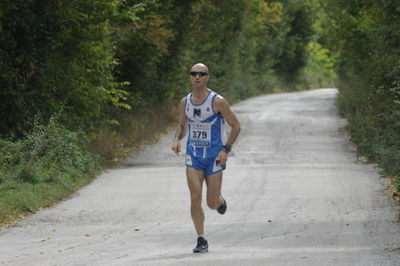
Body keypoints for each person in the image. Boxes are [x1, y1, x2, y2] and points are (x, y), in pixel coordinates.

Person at [171, 63, 241, 253]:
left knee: (211, 203)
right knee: (195, 197)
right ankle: (201, 239)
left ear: (207, 77)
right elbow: (182, 125)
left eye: (201, 74)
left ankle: (219, 201)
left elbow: (236, 125)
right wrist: (177, 139)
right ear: (190, 77)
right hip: (194, 155)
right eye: (193, 74)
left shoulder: (217, 101)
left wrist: (226, 149)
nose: (197, 77)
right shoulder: (184, 102)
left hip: (214, 157)